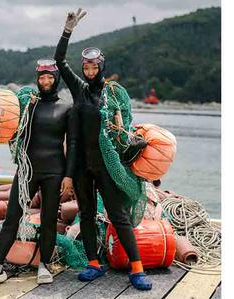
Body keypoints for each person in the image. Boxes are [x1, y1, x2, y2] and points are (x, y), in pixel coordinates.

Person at [54, 9, 152, 291]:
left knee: (118, 215)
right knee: (85, 213)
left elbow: (124, 134)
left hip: (107, 167)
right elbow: (60, 61)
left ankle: (137, 267)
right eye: (86, 68)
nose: (89, 71)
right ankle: (94, 264)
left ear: (101, 67)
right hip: (84, 166)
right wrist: (68, 30)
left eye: (94, 67)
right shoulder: (80, 90)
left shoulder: (111, 96)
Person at [0, 59, 76, 288]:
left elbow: (72, 144)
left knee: (49, 219)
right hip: (27, 170)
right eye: (42, 77)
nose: (46, 81)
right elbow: (7, 124)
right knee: (12, 217)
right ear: (37, 79)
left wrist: (69, 176)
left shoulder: (66, 108)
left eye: (50, 77)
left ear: (57, 79)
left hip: (54, 172)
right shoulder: (28, 106)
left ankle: (44, 265)